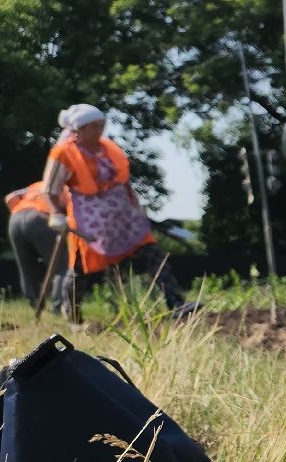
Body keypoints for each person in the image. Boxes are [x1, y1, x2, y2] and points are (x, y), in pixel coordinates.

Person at [41, 103, 186, 316]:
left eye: (102, 125)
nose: (100, 130)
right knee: (81, 268)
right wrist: (56, 213)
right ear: (79, 129)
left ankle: (177, 305)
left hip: (122, 216)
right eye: (94, 126)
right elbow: (50, 189)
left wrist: (136, 209)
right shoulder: (64, 153)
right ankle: (72, 313)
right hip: (88, 219)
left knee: (152, 253)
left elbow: (125, 183)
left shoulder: (109, 149)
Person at [5, 180, 62, 303]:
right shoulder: (68, 185)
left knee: (27, 269)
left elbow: (10, 198)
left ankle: (36, 306)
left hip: (15, 218)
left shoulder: (37, 185)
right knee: (62, 266)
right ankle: (59, 307)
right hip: (41, 217)